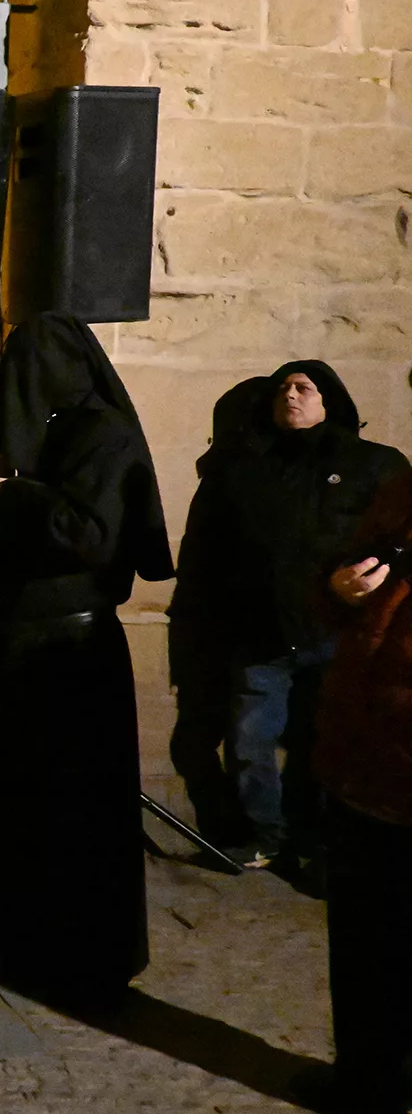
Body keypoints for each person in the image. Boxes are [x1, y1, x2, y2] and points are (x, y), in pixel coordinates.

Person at [0, 311, 173, 1004]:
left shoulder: (106, 437)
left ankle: (67, 955)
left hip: (67, 656)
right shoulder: (18, 435)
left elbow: (91, 534)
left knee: (66, 815)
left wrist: (15, 494)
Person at [187, 361, 408, 869]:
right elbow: (214, 549)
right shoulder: (244, 468)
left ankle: (320, 842)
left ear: (328, 400)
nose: (290, 395)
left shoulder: (372, 464)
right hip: (261, 632)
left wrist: (370, 578)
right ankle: (266, 834)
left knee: (327, 741)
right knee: (249, 741)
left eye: (304, 388)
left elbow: (399, 533)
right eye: (282, 388)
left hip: (335, 630)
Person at [318, 464, 412, 1114]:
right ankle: (365, 1079)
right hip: (367, 755)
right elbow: (345, 573)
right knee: (363, 939)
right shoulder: (399, 490)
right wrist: (338, 588)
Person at [166, 375, 273, 849]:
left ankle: (246, 835)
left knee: (237, 742)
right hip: (215, 628)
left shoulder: (243, 475)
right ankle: (236, 833)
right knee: (212, 741)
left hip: (229, 630)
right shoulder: (233, 474)